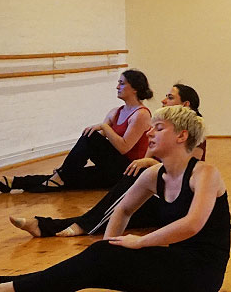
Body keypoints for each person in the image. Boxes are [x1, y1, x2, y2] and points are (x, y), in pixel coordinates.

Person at [0, 105, 229, 292]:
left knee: (96, 260)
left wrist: (139, 243)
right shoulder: (153, 175)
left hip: (201, 275)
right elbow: (123, 210)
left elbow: (192, 224)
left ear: (181, 136)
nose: (149, 133)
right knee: (93, 263)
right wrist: (111, 246)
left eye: (159, 128)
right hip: (173, 263)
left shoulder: (205, 174)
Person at [11, 84, 205, 238]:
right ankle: (44, 223)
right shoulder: (161, 127)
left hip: (171, 202)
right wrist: (146, 163)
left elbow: (185, 174)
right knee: (108, 212)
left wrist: (149, 165)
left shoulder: (190, 133)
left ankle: (65, 219)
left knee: (114, 203)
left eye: (170, 97)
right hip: (152, 190)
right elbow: (148, 157)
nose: (163, 100)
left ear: (186, 104)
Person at [0, 69, 153, 193]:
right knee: (70, 177)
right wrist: (68, 166)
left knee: (88, 139)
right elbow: (93, 143)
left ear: (135, 88)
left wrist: (104, 127)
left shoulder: (141, 114)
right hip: (111, 170)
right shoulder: (115, 112)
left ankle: (61, 174)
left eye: (122, 83)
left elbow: (123, 147)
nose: (117, 87)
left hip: (128, 171)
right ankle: (12, 182)